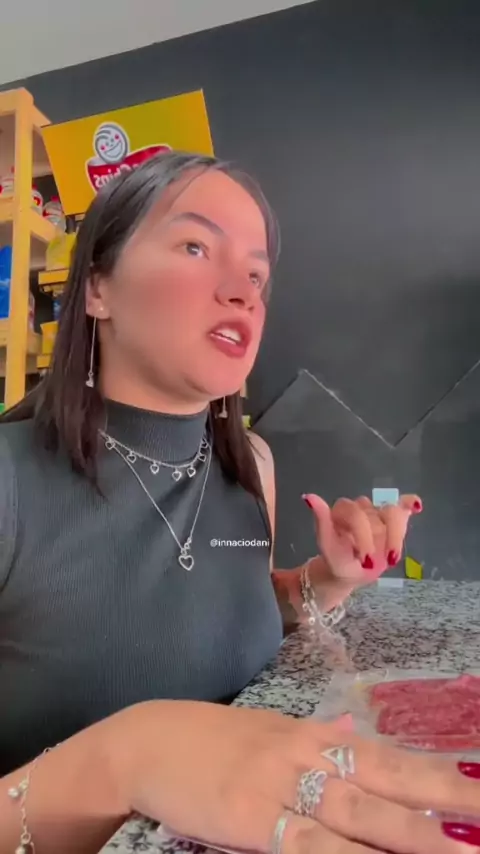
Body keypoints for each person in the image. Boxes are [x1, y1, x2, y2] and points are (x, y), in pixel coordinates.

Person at [2, 151, 478, 852]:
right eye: (196, 247)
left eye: (257, 275)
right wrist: (123, 759)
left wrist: (328, 579)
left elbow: (220, 611)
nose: (242, 293)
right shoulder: (9, 480)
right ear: (98, 287)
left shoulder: (251, 464)